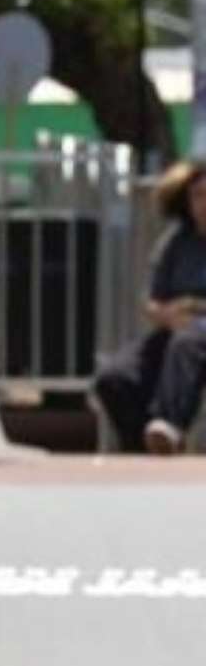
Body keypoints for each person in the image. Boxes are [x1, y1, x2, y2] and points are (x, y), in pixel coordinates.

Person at [93, 159, 206, 455]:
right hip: (174, 328)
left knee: (187, 342)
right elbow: (152, 301)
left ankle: (169, 425)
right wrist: (166, 314)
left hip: (196, 334)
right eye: (198, 195)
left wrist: (193, 306)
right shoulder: (177, 242)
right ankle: (145, 450)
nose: (203, 203)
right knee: (114, 377)